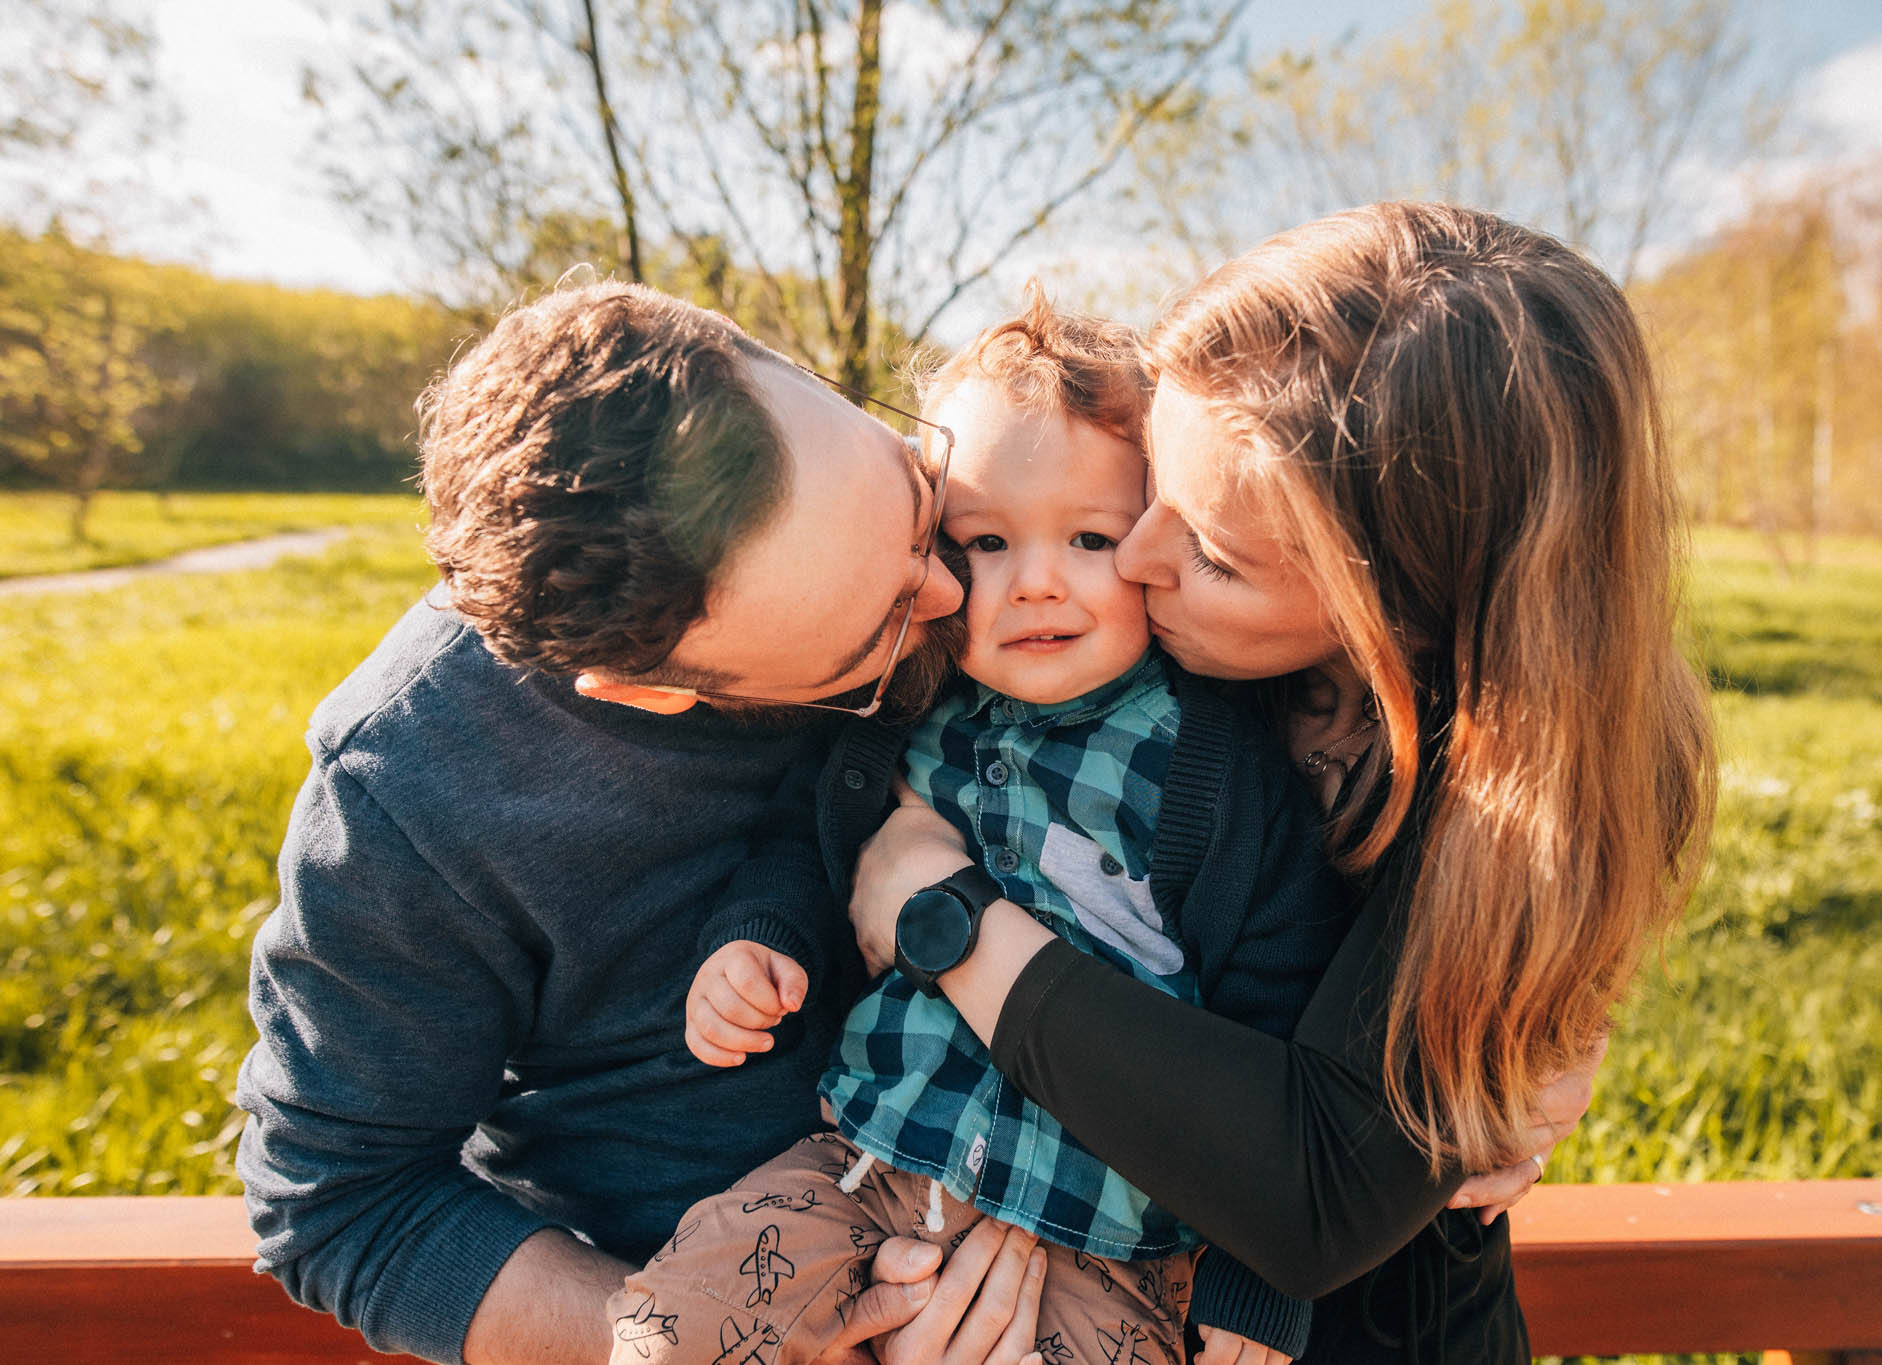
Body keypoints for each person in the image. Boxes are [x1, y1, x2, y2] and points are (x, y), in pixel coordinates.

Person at [844, 203, 1719, 1363]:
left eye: (1209, 551)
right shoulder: (1138, 632)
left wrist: (941, 917)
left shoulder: (1535, 794)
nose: (1138, 560)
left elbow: (1314, 1193)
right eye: (1155, 482)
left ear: (1397, 612)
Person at [234, 282, 1050, 1365]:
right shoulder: (408, 796)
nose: (956, 591)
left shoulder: (975, 543)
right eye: (878, 637)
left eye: (911, 489)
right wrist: (698, 1343)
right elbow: (345, 1204)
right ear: (649, 691)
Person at [606, 292, 1343, 1365]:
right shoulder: (898, 715)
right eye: (984, 542)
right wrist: (757, 938)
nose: (1034, 581)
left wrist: (1259, 1283)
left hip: (1114, 1245)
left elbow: (1281, 1016)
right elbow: (802, 851)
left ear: (1156, 540)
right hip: (868, 1167)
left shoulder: (1214, 768)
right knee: (667, 1341)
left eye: (1090, 537)